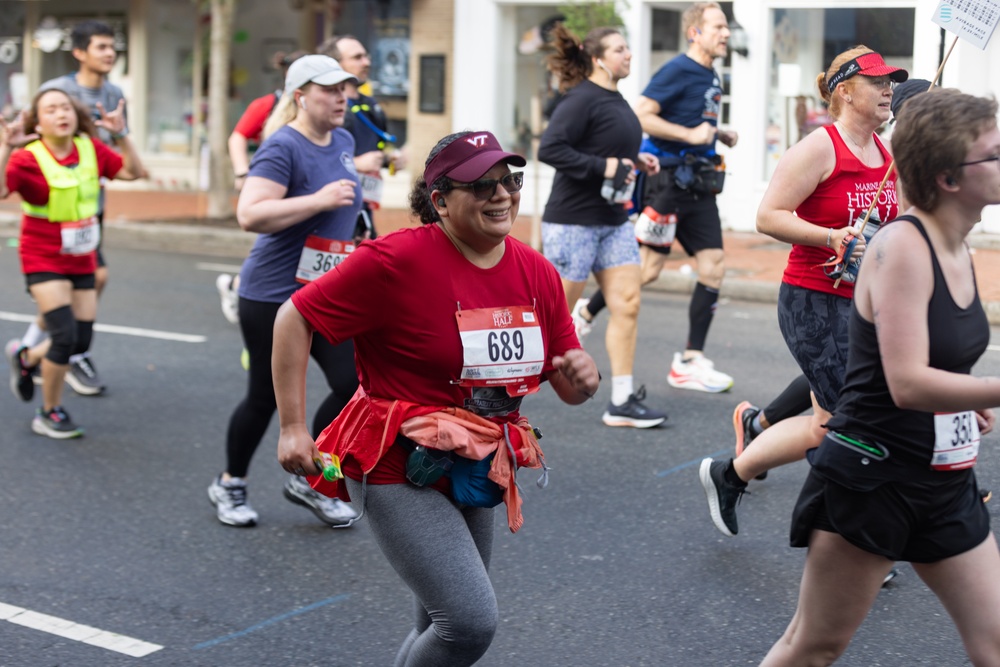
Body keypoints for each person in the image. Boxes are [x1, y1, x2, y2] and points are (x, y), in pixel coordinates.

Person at [272, 129, 600, 666]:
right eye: (481, 185)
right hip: (397, 460)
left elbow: (566, 385)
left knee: (439, 621)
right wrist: (292, 426)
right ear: (441, 200)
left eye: (509, 181)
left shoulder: (535, 271)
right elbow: (295, 316)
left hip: (477, 460)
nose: (501, 195)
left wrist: (581, 378)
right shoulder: (394, 261)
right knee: (468, 624)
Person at [760, 88, 1000, 666]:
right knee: (813, 647)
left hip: (944, 480)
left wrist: (964, 400)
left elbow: (934, 363)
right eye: (991, 155)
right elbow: (907, 384)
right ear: (947, 177)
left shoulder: (956, 246)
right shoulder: (901, 248)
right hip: (875, 478)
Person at [699, 46, 907, 537]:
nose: (888, 89)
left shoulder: (888, 153)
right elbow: (768, 216)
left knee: (823, 425)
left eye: (890, 81)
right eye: (878, 82)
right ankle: (851, 536)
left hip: (865, 306)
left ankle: (728, 475)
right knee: (857, 423)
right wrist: (831, 236)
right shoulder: (820, 147)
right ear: (845, 91)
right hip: (814, 302)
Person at [206, 55, 362, 528]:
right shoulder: (282, 146)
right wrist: (318, 199)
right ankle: (230, 482)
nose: (341, 98)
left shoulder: (345, 139)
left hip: (325, 291)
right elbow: (250, 214)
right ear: (300, 96)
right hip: (272, 294)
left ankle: (307, 477)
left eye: (344, 89)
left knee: (354, 386)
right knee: (266, 398)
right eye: (329, 90)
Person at [573, 2, 738, 394]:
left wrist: (716, 135)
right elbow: (642, 113)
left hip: (698, 185)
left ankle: (690, 361)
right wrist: (692, 136)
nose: (726, 33)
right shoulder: (678, 69)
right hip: (668, 183)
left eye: (726, 26)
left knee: (713, 266)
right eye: (718, 26)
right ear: (694, 32)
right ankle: (585, 311)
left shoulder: (709, 73)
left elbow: (694, 124)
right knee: (646, 270)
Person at [537, 24, 665, 429]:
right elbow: (550, 149)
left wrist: (636, 160)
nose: (628, 55)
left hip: (612, 220)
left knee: (628, 301)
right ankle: (499, 392)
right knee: (550, 318)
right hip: (573, 221)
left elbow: (609, 146)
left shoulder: (616, 98)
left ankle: (622, 399)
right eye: (620, 49)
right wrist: (603, 166)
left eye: (628, 48)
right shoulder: (579, 99)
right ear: (598, 59)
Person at [1, 87, 144, 437]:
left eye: (65, 107)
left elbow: (133, 172)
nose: (61, 114)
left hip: (82, 254)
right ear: (37, 120)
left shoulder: (89, 148)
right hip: (42, 253)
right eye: (50, 109)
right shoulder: (27, 157)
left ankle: (28, 358)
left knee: (80, 341)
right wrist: (7, 146)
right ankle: (49, 411)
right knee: (64, 336)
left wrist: (121, 135)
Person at [15, 20, 137, 397]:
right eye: (100, 47)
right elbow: (31, 139)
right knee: (74, 309)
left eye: (111, 47)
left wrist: (118, 136)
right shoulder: (58, 90)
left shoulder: (114, 92)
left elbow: (125, 160)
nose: (108, 53)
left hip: (88, 210)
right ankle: (53, 345)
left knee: (84, 294)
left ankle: (41, 348)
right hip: (50, 221)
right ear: (80, 53)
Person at [217, 50, 308, 326]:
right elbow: (237, 137)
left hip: (304, 183)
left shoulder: (326, 108)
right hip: (273, 181)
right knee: (271, 241)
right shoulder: (267, 104)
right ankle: (239, 288)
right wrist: (242, 171)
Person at [317, 35, 407, 238]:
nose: (366, 62)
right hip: (332, 210)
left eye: (366, 56)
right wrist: (356, 163)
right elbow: (315, 157)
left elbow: (380, 147)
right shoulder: (324, 109)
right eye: (357, 58)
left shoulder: (372, 105)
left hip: (364, 208)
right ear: (336, 64)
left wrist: (390, 159)